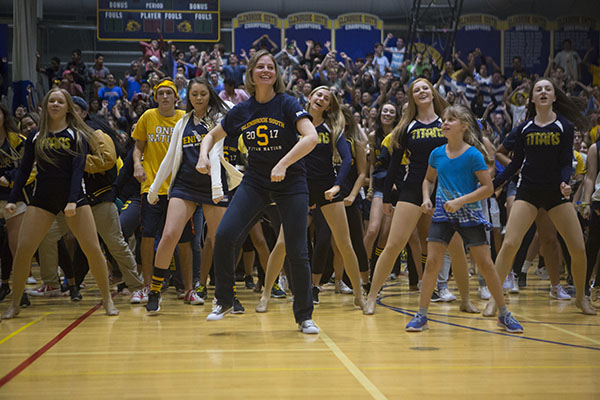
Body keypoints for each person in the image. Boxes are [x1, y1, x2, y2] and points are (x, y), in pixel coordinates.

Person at [197, 50, 320, 334]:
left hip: (291, 183)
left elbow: (311, 137)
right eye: (260, 66)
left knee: (297, 250)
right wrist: (204, 156)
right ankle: (224, 299)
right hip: (255, 181)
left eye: (271, 67)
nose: (266, 70)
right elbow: (212, 135)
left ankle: (304, 316)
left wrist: (284, 162)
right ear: (251, 73)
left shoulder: (288, 104)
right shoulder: (242, 110)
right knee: (225, 234)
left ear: (276, 74)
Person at [405, 105, 523, 333]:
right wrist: (426, 198)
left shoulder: (473, 154)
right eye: (444, 119)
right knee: (431, 263)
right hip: (442, 214)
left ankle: (504, 314)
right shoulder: (437, 153)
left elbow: (488, 189)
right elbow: (428, 180)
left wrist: (461, 201)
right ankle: (421, 315)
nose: (445, 123)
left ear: (464, 126)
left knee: (486, 265)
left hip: (469, 215)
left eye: (451, 119)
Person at [2, 88, 118, 319]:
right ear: (45, 106)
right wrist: (13, 199)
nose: (55, 104)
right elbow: (24, 170)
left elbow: (77, 172)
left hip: (74, 199)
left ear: (67, 107)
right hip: (42, 199)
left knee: (93, 250)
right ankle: (14, 304)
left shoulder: (77, 135)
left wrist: (73, 201)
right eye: (51, 101)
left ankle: (107, 301)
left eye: (60, 101)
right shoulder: (35, 135)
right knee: (24, 250)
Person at [364, 79, 477, 315]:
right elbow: (394, 164)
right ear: (412, 97)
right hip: (413, 188)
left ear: (432, 92)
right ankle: (372, 296)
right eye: (417, 90)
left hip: (446, 188)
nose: (422, 91)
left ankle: (465, 300)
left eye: (425, 87)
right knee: (394, 244)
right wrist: (386, 198)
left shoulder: (446, 122)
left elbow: (463, 152)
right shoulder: (407, 127)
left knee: (456, 247)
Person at [489, 78, 596, 316]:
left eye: (548, 89)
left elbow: (565, 162)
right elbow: (514, 163)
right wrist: (493, 185)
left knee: (578, 248)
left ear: (554, 97)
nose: (544, 92)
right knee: (509, 244)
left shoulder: (564, 126)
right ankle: (495, 300)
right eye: (539, 89)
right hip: (527, 191)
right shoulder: (524, 128)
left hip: (555, 194)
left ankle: (581, 297)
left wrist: (565, 182)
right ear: (533, 98)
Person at [255, 86, 366, 310]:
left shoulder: (333, 128)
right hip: (297, 187)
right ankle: (266, 294)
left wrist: (337, 186)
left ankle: (359, 294)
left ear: (329, 106)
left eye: (326, 98)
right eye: (319, 94)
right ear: (309, 97)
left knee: (345, 244)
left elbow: (346, 160)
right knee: (283, 243)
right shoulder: (293, 123)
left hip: (326, 187)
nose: (322, 99)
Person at [145, 77, 232, 313]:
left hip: (212, 186)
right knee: (169, 234)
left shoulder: (218, 120)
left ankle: (226, 295)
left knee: (219, 241)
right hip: (185, 185)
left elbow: (215, 154)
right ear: (188, 97)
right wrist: (154, 188)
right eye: (194, 94)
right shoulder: (182, 123)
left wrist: (216, 188)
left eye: (203, 93)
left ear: (209, 94)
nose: (199, 98)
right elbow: (169, 157)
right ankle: (154, 290)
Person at [132, 78, 186, 301]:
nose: (165, 96)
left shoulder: (184, 118)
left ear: (176, 97)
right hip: (152, 186)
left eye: (169, 93)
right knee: (147, 235)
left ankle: (186, 286)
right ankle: (147, 285)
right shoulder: (147, 117)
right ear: (155, 97)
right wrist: (137, 164)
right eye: (161, 93)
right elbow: (138, 147)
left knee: (183, 239)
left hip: (180, 188)